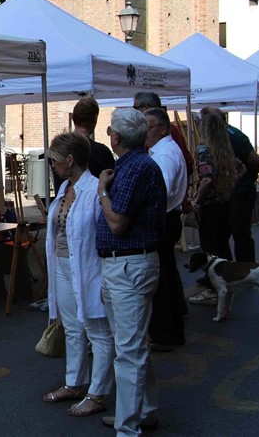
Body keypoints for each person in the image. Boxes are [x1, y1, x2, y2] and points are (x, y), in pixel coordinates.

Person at [96, 108, 166, 434]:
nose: (109, 134)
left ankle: (127, 428)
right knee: (134, 345)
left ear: (117, 137)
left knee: (129, 351)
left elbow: (118, 222)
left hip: (128, 264)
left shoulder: (136, 168)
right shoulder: (134, 165)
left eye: (110, 130)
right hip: (125, 264)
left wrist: (102, 192)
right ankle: (142, 411)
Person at [43, 133, 114, 418]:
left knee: (98, 331)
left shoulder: (95, 190)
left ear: (70, 161)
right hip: (62, 266)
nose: (53, 166)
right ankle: (74, 383)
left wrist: (104, 278)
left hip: (88, 269)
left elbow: (104, 235)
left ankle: (97, 393)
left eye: (56, 161)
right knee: (72, 328)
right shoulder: (65, 189)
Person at [143, 108, 188, 349]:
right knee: (165, 276)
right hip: (167, 218)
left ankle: (165, 333)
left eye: (148, 127)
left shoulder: (165, 154)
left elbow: (163, 190)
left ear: (162, 129)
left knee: (160, 280)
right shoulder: (163, 151)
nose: (145, 133)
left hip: (164, 219)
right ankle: (171, 329)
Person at [200, 106, 259, 262]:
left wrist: (243, 180)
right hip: (229, 194)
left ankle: (245, 269)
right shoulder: (222, 139)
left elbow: (253, 161)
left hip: (237, 193)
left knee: (238, 234)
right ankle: (230, 271)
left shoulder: (232, 136)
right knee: (224, 236)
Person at [187, 112, 237, 305]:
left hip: (210, 205)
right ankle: (227, 284)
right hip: (225, 201)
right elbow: (240, 168)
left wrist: (196, 200)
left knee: (210, 249)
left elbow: (206, 179)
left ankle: (212, 289)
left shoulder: (204, 149)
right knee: (223, 245)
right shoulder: (226, 148)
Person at [51, 97, 115, 192]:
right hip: (91, 201)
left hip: (66, 200)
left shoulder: (58, 148)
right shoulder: (101, 152)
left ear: (73, 118)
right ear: (95, 119)